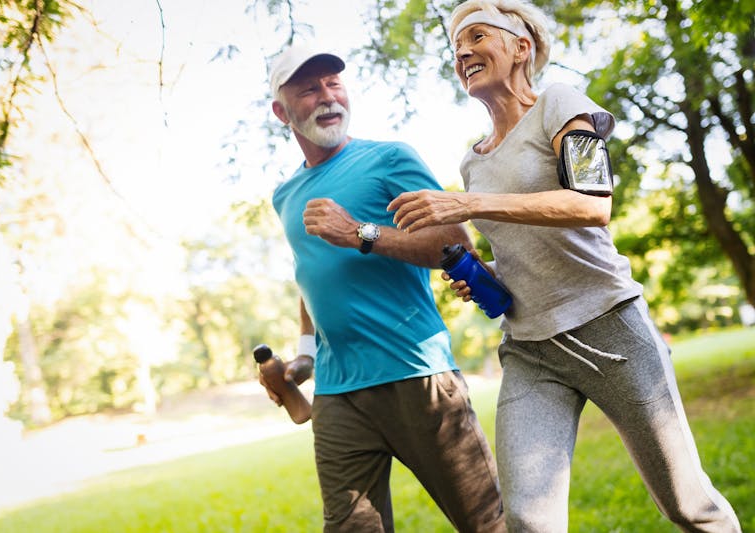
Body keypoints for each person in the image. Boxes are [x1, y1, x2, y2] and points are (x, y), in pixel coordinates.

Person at [387, 1, 743, 532]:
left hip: (611, 330)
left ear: (521, 48)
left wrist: (468, 204)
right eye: (455, 48)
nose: (462, 53)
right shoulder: (474, 160)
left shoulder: (562, 104)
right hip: (532, 351)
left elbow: (592, 203)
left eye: (477, 37)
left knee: (689, 505)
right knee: (529, 519)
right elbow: (520, 242)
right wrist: (485, 276)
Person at [261, 42, 506, 532]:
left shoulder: (389, 159)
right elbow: (311, 276)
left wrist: (360, 234)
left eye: (333, 84)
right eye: (309, 90)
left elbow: (454, 245)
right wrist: (305, 356)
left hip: (416, 374)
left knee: (486, 524)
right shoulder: (284, 195)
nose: (327, 97)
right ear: (280, 111)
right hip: (338, 393)